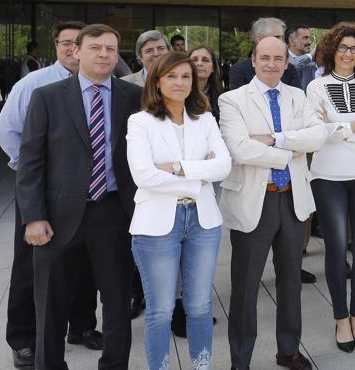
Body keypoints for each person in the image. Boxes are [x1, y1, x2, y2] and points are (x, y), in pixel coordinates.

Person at [16, 24, 143, 369]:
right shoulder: (48, 96)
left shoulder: (133, 97)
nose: (104, 54)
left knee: (117, 303)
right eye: (96, 48)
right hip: (57, 217)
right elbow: (31, 161)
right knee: (51, 305)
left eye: (111, 49)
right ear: (77, 51)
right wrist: (33, 216)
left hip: (114, 213)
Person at [0, 22, 101, 369]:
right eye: (66, 43)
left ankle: (82, 326)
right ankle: (24, 339)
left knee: (84, 262)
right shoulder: (33, 84)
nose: (73, 50)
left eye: (79, 43)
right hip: (42, 194)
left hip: (88, 195)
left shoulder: (100, 85)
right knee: (31, 267)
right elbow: (5, 130)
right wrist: (32, 172)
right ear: (56, 46)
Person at [218, 36, 325, 370]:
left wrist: (276, 140)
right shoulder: (232, 100)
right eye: (265, 57)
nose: (272, 64)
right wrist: (291, 150)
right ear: (253, 60)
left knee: (291, 282)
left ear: (286, 62)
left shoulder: (298, 95)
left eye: (278, 58)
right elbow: (240, 149)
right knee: (245, 288)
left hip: (292, 200)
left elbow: (319, 135)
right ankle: (241, 361)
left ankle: (288, 350)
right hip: (255, 202)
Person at [127, 52, 232, 369]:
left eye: (185, 76)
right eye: (171, 76)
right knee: (160, 309)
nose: (179, 82)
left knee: (199, 305)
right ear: (156, 81)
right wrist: (197, 177)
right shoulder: (141, 122)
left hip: (203, 223)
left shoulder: (206, 120)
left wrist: (175, 168)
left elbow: (224, 166)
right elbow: (143, 175)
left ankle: (201, 366)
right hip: (157, 226)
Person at [305, 23, 355, 352]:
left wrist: (337, 126)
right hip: (327, 177)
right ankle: (341, 318)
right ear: (331, 50)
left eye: (354, 48)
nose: (348, 53)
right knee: (337, 249)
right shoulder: (316, 86)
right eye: (342, 47)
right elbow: (317, 131)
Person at [228, 18, 303, 89]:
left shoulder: (289, 69)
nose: (282, 42)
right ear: (259, 39)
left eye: (282, 38)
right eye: (277, 37)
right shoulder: (239, 70)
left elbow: (298, 99)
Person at [189, 45, 222, 120]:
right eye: (194, 60)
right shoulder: (178, 94)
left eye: (205, 60)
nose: (199, 63)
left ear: (213, 68)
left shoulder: (220, 98)